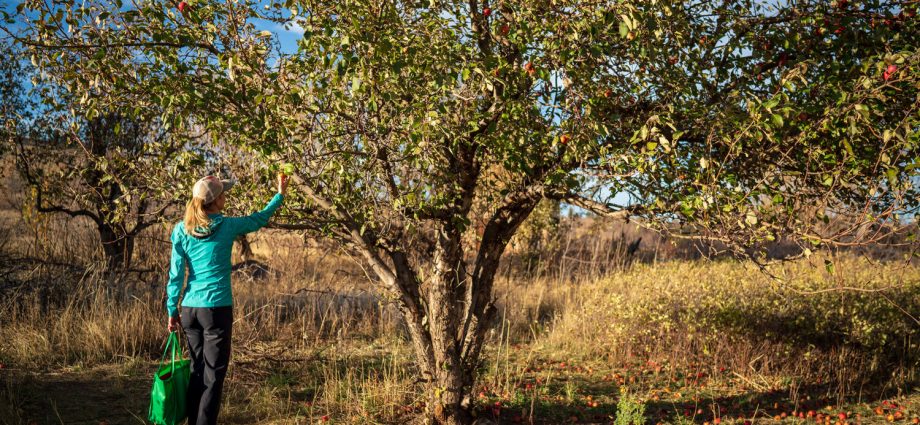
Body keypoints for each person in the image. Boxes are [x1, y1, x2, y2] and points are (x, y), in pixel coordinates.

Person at [165, 173, 289, 425]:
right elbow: (258, 219)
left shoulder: (181, 230)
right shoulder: (227, 225)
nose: (225, 197)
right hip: (216, 309)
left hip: (190, 309)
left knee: (197, 371)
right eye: (223, 194)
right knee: (213, 376)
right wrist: (279, 195)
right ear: (215, 201)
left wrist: (172, 309)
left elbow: (176, 275)